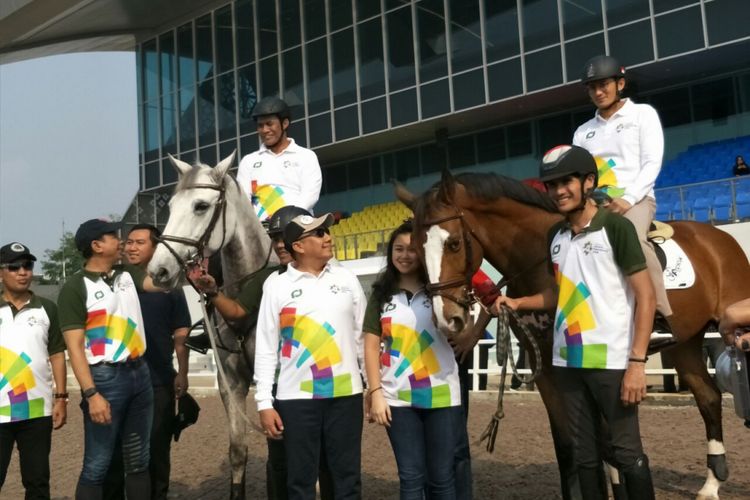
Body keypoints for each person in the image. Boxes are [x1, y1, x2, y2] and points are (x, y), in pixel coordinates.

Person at [493, 145, 657, 499]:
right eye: (551, 185)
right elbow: (560, 293)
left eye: (566, 181)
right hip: (567, 364)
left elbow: (646, 296)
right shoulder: (556, 237)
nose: (558, 191)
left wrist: (638, 362)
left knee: (627, 454)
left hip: (612, 362)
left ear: (588, 182)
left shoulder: (616, 228)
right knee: (584, 455)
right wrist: (518, 301)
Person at [194, 206, 334, 500]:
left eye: (285, 237)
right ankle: (207, 328)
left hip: (322, 381)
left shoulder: (336, 277)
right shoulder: (268, 279)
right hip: (285, 386)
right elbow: (237, 310)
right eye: (275, 237)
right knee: (222, 252)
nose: (279, 243)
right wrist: (213, 292)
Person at [254, 213, 366, 500]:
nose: (327, 237)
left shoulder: (346, 278)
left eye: (326, 231)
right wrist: (265, 402)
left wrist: (371, 386)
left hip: (345, 395)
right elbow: (267, 346)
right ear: (299, 246)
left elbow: (361, 336)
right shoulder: (275, 286)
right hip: (296, 399)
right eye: (318, 233)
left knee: (347, 479)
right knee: (300, 481)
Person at [57, 218, 158, 499]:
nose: (121, 240)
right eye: (113, 236)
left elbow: (156, 284)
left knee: (139, 460)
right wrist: (91, 394)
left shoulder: (127, 274)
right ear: (97, 246)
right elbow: (75, 349)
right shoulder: (74, 288)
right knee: (97, 464)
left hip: (141, 374)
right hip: (105, 380)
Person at [364, 221, 464, 499]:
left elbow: (464, 330)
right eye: (398, 249)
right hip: (397, 399)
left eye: (411, 249)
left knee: (443, 479)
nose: (404, 255)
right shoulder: (381, 295)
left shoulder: (440, 291)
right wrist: (375, 394)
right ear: (390, 253)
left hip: (442, 396)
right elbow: (371, 346)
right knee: (410, 479)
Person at [573, 55, 672, 325]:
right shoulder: (583, 132)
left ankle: (658, 314)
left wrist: (628, 199)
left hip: (637, 199)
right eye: (592, 87)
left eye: (604, 84)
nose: (598, 92)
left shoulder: (643, 114)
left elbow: (652, 162)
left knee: (634, 239)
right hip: (596, 203)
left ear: (621, 84)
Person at [103, 224, 192, 500]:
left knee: (156, 451)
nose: (131, 247)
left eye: (139, 242)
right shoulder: (111, 283)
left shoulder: (170, 289)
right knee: (113, 454)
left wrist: (183, 373)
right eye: (128, 242)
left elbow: (181, 334)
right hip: (116, 382)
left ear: (156, 247)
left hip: (158, 382)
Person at [0, 242, 68, 499]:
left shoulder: (47, 308)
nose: (22, 272)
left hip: (36, 409)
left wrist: (61, 398)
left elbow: (57, 355)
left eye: (27, 266)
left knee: (38, 482)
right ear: (1, 272)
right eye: (14, 266)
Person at [236, 96, 323, 222]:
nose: (265, 130)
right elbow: (243, 199)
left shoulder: (306, 156)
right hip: (261, 232)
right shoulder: (248, 161)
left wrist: (286, 219)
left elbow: (310, 195)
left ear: (285, 123)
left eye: (269, 124)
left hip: (298, 226)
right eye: (260, 125)